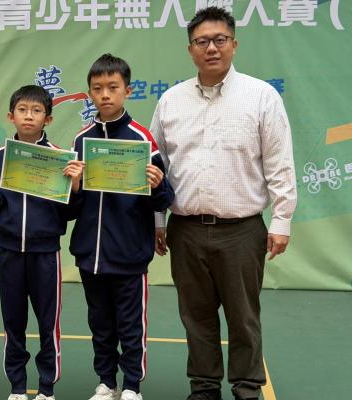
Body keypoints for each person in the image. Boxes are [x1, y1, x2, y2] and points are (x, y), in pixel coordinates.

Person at [150, 7, 297, 400]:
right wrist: (157, 221)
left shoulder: (261, 96)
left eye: (219, 40)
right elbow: (155, 167)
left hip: (242, 230)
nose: (211, 48)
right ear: (190, 49)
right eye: (202, 41)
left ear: (234, 44)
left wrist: (281, 220)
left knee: (244, 317)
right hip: (185, 230)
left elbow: (280, 164)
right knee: (195, 316)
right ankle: (204, 388)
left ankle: (247, 388)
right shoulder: (171, 101)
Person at [0, 85, 83, 400]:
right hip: (9, 252)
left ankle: (46, 388)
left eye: (36, 111)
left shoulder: (60, 158)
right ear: (11, 116)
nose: (28, 116)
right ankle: (17, 387)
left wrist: (75, 187)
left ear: (48, 119)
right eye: (22, 110)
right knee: (13, 323)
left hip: (45, 253)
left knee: (48, 325)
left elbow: (70, 212)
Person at [69, 54, 174, 400]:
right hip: (90, 254)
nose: (105, 95)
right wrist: (75, 187)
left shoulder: (143, 139)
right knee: (100, 325)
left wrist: (157, 185)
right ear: (89, 93)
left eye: (113, 87)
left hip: (129, 253)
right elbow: (71, 208)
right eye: (97, 88)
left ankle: (131, 386)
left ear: (127, 90)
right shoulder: (81, 140)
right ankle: (106, 382)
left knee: (130, 326)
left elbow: (164, 199)